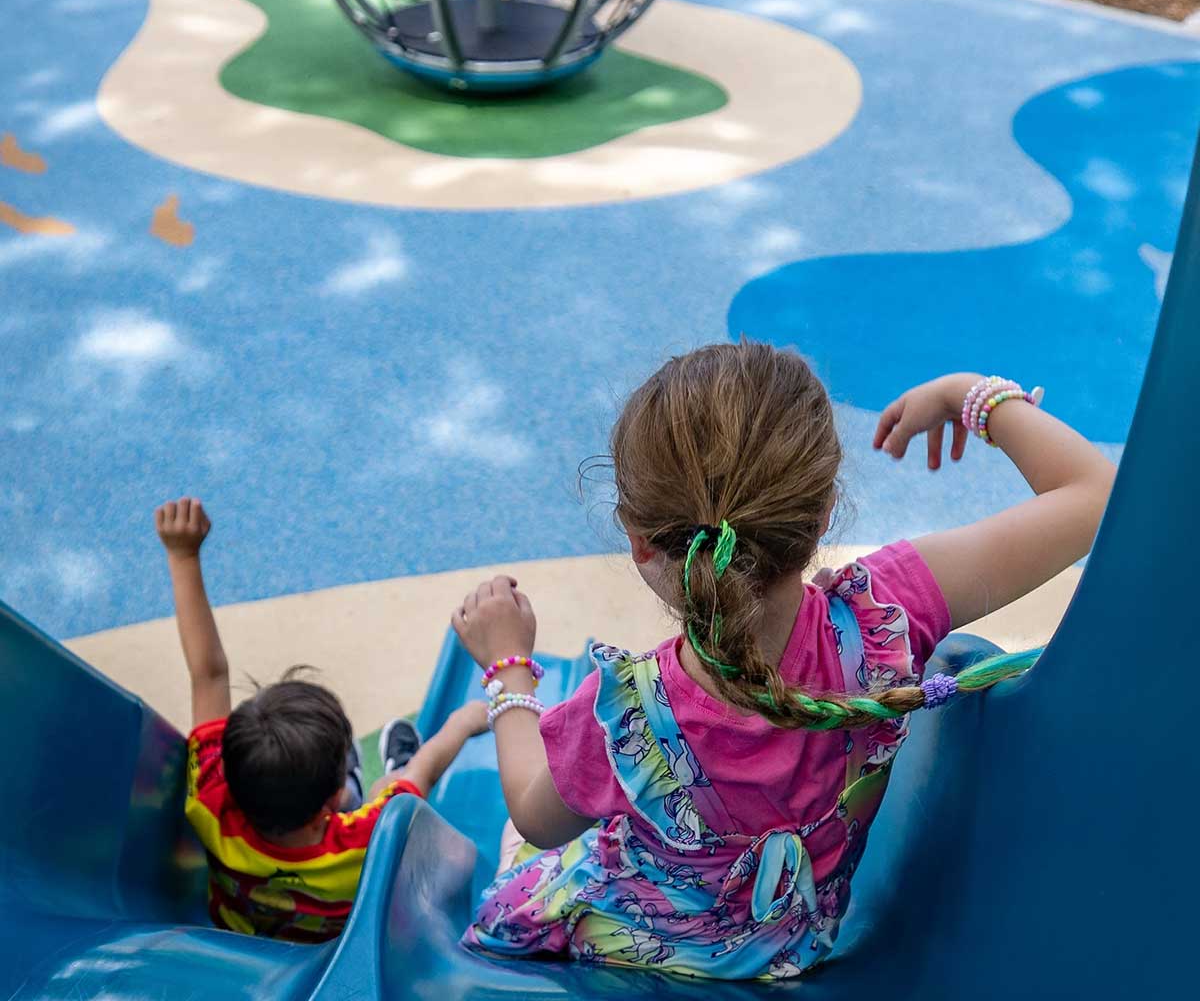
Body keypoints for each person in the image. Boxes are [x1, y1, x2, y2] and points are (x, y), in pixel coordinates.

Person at [451, 343, 1115, 978]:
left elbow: (537, 818)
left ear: (639, 541)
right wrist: (968, 394)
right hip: (790, 945)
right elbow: (1095, 496)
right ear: (825, 512)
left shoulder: (624, 717)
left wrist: (508, 668)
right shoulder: (888, 616)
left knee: (520, 846)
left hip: (647, 941)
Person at [155, 497, 487, 942]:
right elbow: (422, 776)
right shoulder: (367, 838)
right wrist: (463, 723)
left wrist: (182, 556)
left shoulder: (211, 799)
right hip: (342, 942)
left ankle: (356, 770)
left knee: (390, 795)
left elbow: (207, 674)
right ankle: (375, 771)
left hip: (246, 931)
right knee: (394, 796)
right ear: (332, 800)